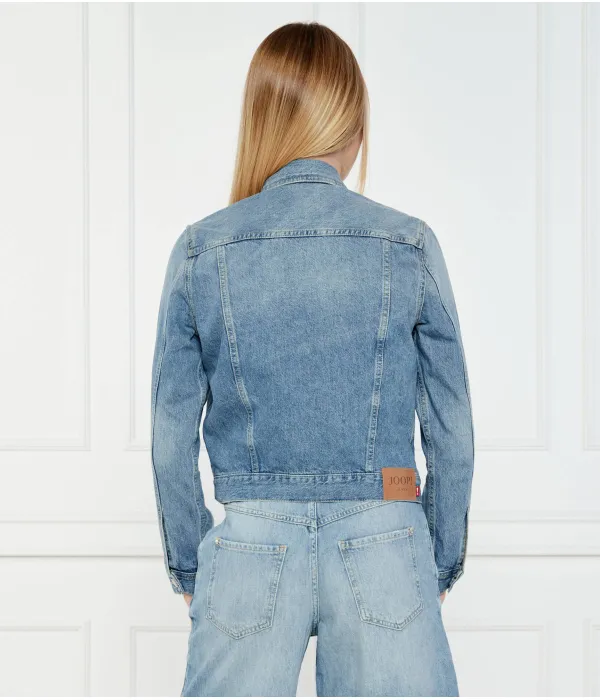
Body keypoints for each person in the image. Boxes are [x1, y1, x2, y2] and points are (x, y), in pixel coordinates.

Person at [150, 20, 474, 698]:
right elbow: (452, 432)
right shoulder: (408, 244)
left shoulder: (202, 250)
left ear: (262, 123)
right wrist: (437, 557)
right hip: (387, 536)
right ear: (352, 127)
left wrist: (193, 568)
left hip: (249, 545)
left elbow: (169, 442)